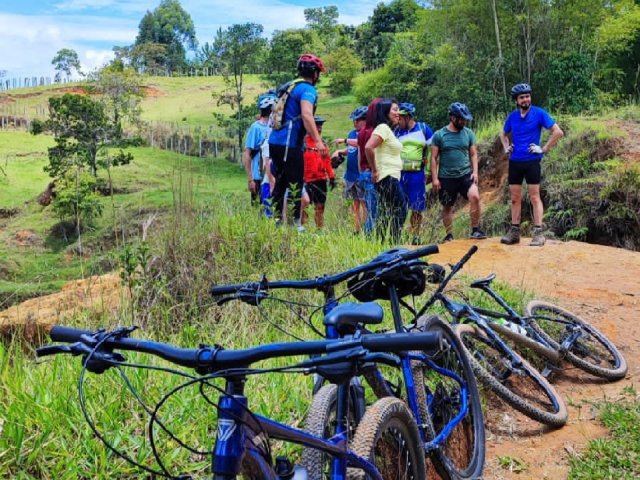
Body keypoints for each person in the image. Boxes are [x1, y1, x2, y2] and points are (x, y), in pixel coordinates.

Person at [499, 83, 564, 247]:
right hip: (515, 161)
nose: (526, 99)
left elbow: (558, 132)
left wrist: (543, 148)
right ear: (516, 100)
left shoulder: (539, 113)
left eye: (527, 96)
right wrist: (507, 147)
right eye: (522, 97)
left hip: (532, 161)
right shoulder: (512, 117)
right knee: (515, 198)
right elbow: (503, 133)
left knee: (535, 197)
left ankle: (538, 233)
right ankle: (514, 232)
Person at [268, 54, 327, 231]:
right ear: (315, 74)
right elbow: (307, 114)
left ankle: (276, 223)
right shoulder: (308, 90)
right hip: (289, 143)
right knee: (295, 183)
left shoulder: (289, 86)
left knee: (281, 182)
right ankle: (295, 227)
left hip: (275, 141)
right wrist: (318, 141)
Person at [431, 102, 486, 243]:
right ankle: (449, 235)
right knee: (448, 206)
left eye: (465, 119)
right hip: (446, 177)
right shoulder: (439, 135)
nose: (463, 121)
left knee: (475, 197)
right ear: (453, 118)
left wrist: (475, 172)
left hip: (465, 174)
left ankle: (475, 230)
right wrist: (435, 178)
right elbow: (434, 158)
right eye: (461, 118)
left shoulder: (468, 133)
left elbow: (473, 154)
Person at [364, 98, 407, 244]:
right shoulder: (382, 127)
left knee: (386, 212)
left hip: (388, 176)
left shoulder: (387, 130)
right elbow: (368, 147)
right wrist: (375, 170)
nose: (398, 113)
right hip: (387, 176)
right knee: (401, 210)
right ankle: (393, 244)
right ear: (385, 112)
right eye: (394, 110)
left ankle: (382, 244)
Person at [395, 102, 434, 244]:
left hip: (417, 173)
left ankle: (415, 235)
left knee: (417, 206)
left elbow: (433, 151)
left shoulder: (424, 129)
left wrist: (429, 172)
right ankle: (397, 233)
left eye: (401, 118)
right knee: (400, 205)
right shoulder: (396, 131)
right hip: (400, 173)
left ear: (409, 117)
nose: (398, 120)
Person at [332, 106, 368, 234]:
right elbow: (351, 149)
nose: (355, 123)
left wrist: (344, 140)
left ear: (365, 120)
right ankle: (355, 229)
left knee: (364, 203)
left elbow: (360, 143)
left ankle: (365, 228)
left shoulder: (368, 133)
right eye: (354, 120)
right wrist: (340, 151)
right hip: (350, 175)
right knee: (354, 203)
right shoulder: (352, 133)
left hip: (361, 175)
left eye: (358, 120)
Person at [302, 117, 335, 231]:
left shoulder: (323, 144)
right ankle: (304, 231)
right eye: (316, 125)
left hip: (321, 180)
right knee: (304, 207)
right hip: (307, 180)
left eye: (320, 126)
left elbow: (327, 162)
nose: (319, 128)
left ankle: (319, 230)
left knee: (320, 207)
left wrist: (331, 177)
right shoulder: (303, 143)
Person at [243, 93, 276, 208]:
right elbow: (247, 154)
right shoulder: (256, 127)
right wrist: (250, 179)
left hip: (274, 175)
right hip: (259, 177)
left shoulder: (276, 127)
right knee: (260, 210)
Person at [357, 98, 382, 235]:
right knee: (374, 212)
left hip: (364, 173)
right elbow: (368, 148)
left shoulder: (362, 132)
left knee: (370, 209)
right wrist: (375, 169)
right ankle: (368, 238)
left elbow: (360, 154)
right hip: (372, 172)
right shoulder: (375, 131)